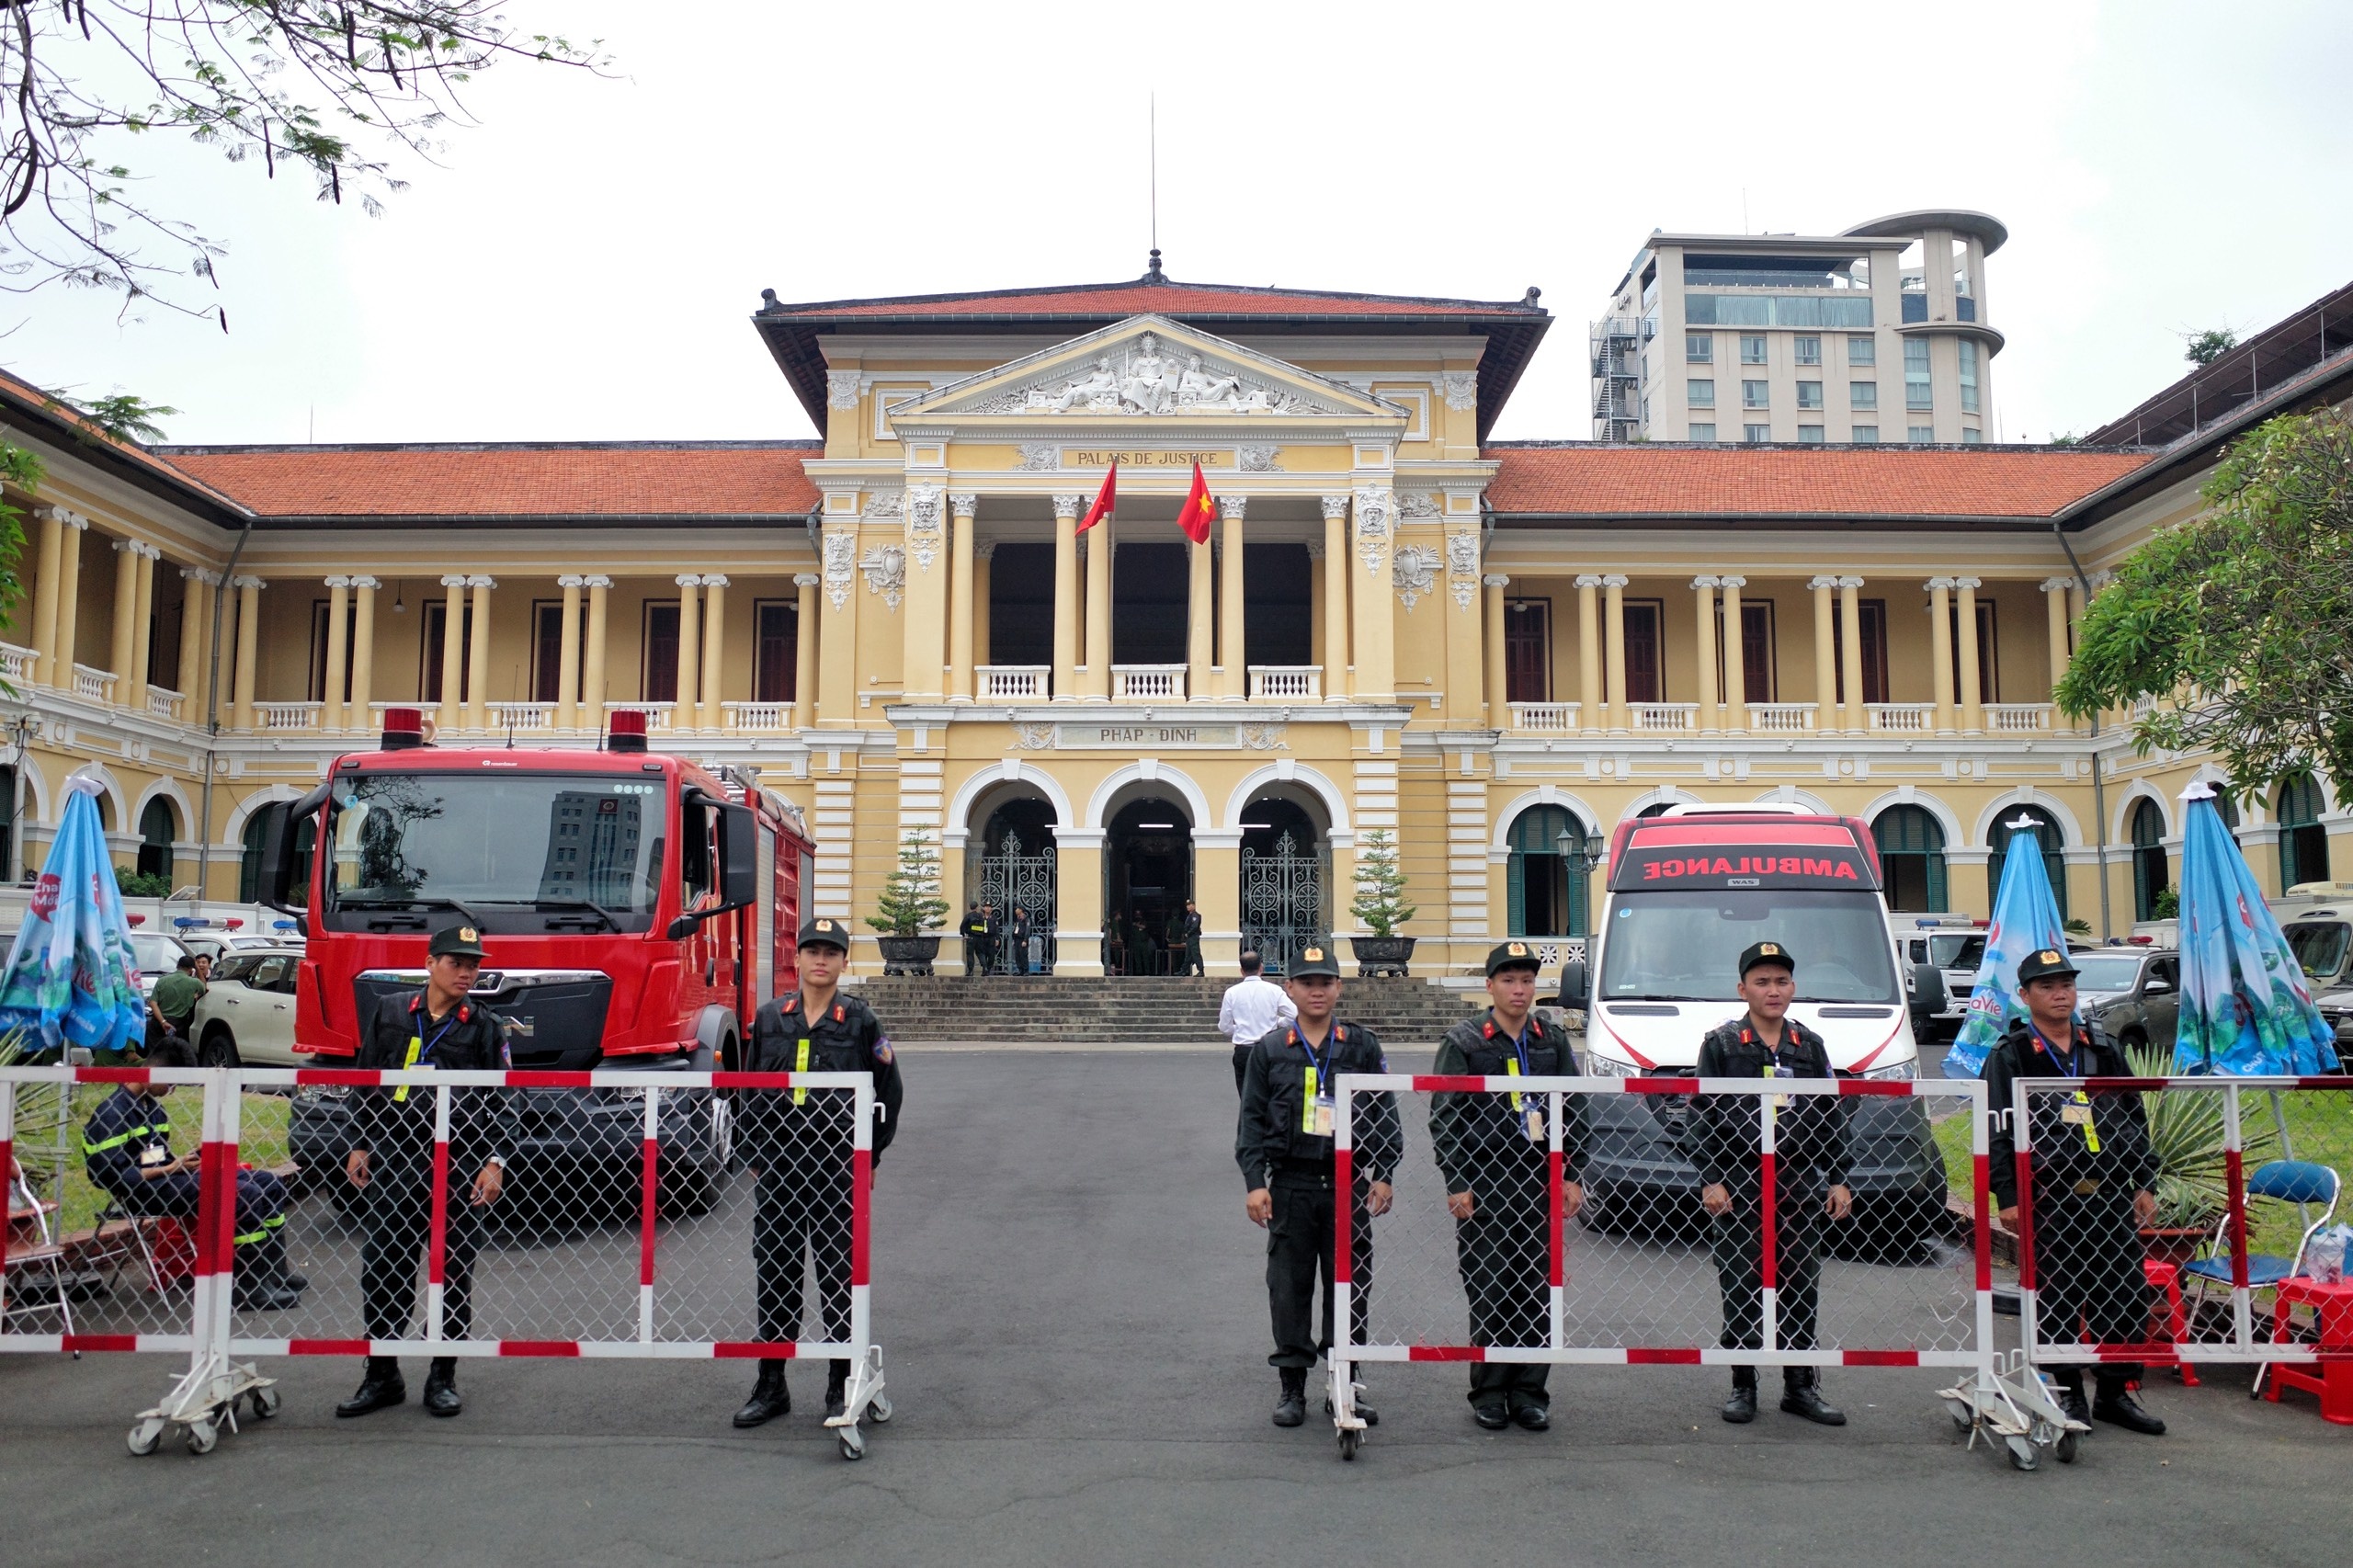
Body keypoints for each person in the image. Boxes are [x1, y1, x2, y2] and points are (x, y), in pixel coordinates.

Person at [733, 915, 906, 1428]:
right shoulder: (769, 1019)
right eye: (812, 950)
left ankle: (840, 1384)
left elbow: (888, 1093)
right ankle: (771, 1385)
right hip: (781, 1169)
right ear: (798, 958)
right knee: (776, 1274)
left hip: (835, 1168)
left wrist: (868, 1157)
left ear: (843, 962)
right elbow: (744, 1091)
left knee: (837, 1278)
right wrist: (754, 1155)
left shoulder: (860, 1021)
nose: (821, 959)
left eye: (831, 952)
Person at [1984, 948, 2165, 1436]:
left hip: (2108, 1195)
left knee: (2124, 1295)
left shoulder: (2101, 1046)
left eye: (2066, 983)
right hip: (2051, 1197)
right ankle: (2067, 1396)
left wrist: (2144, 1178)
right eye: (2046, 986)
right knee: (2059, 1297)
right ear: (2025, 996)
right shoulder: (2013, 1054)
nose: (2060, 992)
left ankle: (2114, 1394)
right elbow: (1998, 1130)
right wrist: (2008, 1197)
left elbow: (2132, 1115)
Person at [337, 924, 516, 1420]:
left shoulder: (484, 1026)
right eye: (457, 962)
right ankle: (382, 1375)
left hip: (458, 1165)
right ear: (430, 963)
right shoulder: (394, 1012)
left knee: (453, 1273)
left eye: (473, 964)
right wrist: (359, 1142)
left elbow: (503, 1100)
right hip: (396, 1160)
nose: (467, 972)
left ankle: (442, 1376)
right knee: (383, 1270)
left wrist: (494, 1162)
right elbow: (366, 1078)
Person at [1236, 944, 1399, 1428]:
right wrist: (1254, 1182)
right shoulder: (1270, 1050)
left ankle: (1344, 1384)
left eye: (1326, 982)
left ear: (1338, 988)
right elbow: (1251, 1120)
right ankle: (1292, 1388)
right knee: (1288, 1290)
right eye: (1307, 983)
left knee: (1349, 1290)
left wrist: (1385, 1172)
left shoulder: (1360, 1046)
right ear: (1290, 989)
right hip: (1290, 1187)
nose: (1317, 991)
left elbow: (1384, 1109)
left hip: (1348, 1187)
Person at [1690, 941, 1852, 1426]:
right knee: (1740, 1287)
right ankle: (1742, 1385)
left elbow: (1831, 1117)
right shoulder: (1720, 1045)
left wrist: (1839, 1178)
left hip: (1798, 1185)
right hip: (1739, 1187)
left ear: (1793, 988)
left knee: (1801, 1288)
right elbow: (1701, 1116)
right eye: (1762, 981)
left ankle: (1800, 1387)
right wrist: (1710, 1178)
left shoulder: (1810, 1046)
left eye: (1781, 981)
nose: (1773, 990)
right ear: (1743, 989)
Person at [1428, 941, 1585, 1431]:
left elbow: (1575, 1107)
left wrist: (1573, 1174)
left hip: (1538, 1179)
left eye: (1527, 981)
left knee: (1536, 1289)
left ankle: (1530, 1392)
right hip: (1488, 1183)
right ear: (1490, 985)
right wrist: (1458, 1181)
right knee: (1490, 1286)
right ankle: (1490, 1391)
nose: (1520, 990)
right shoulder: (1466, 1041)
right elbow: (1445, 1117)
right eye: (1509, 980)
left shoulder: (1550, 1038)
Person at [82, 1033, 305, 1310]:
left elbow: (154, 1157)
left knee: (268, 1183)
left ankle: (273, 1274)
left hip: (166, 1180)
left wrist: (185, 1161)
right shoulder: (111, 1114)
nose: (172, 1090)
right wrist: (171, 1168)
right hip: (140, 1192)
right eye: (172, 1082)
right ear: (155, 1073)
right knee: (243, 1194)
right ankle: (246, 1288)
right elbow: (109, 1176)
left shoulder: (154, 1110)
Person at [1221, 949, 1297, 1094]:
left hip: (1244, 1050)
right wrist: (1279, 1022)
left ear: (1241, 971)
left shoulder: (1232, 993)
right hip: (1269, 1048)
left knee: (1247, 1098)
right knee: (1270, 1095)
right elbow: (1295, 1014)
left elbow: (1225, 1027)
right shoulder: (1274, 990)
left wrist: (1238, 1030)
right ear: (1261, 968)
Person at [147, 951, 210, 1051]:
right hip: (177, 1024)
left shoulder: (162, 980)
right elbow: (204, 987)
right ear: (191, 969)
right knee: (174, 1055)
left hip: (157, 1022)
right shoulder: (194, 982)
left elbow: (152, 1003)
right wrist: (197, 969)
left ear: (177, 966)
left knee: (155, 1054)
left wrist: (163, 1022)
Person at [960, 903, 989, 978]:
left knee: (970, 954)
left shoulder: (968, 916)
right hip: (980, 938)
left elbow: (962, 926)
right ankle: (985, 968)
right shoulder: (981, 917)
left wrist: (963, 935)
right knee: (981, 953)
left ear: (970, 908)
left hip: (971, 938)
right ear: (977, 907)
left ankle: (970, 971)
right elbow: (985, 927)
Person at [1180, 899, 1205, 977]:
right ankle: (1183, 970)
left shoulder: (1195, 915)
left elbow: (1195, 926)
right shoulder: (1190, 915)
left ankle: (1201, 970)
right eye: (1187, 905)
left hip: (1193, 937)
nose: (1188, 906)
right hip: (1190, 938)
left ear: (1193, 906)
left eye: (1190, 905)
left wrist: (1188, 933)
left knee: (1195, 953)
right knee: (1189, 955)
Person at [1006, 905, 1032, 976]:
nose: (1016, 910)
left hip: (1022, 939)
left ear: (1021, 910)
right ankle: (1020, 970)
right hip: (1017, 939)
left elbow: (1027, 930)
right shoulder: (1018, 919)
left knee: (1023, 955)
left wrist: (1025, 940)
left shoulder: (1026, 919)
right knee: (1017, 955)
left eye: (1017, 909)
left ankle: (1026, 970)